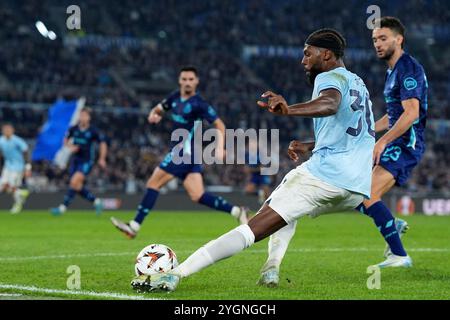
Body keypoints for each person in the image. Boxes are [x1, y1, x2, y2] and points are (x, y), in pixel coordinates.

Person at [130, 28, 376, 292]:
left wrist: (288, 110)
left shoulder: (328, 77)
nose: (303, 60)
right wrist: (308, 146)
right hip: (357, 187)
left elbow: (329, 104)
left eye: (307, 54)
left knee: (252, 229)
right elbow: (356, 133)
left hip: (326, 176)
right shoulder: (358, 83)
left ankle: (176, 274)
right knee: (285, 208)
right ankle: (270, 268)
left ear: (326, 54)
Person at [253, 17, 425, 288]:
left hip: (405, 143)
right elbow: (382, 120)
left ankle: (398, 253)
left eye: (383, 38)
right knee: (357, 190)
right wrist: (369, 136)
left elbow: (411, 114)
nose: (377, 44)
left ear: (398, 39)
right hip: (394, 140)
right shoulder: (393, 73)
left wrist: (381, 143)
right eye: (374, 40)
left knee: (367, 192)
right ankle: (390, 225)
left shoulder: (408, 69)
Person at [111, 66, 249, 239]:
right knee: (197, 195)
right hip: (189, 155)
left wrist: (220, 147)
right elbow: (160, 108)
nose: (187, 82)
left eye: (191, 79)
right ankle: (238, 211)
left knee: (153, 183)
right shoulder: (174, 97)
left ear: (197, 81)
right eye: (184, 79)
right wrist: (155, 114)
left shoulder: (199, 104)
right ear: (179, 80)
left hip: (184, 153)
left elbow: (220, 125)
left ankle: (135, 225)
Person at [51, 107, 107, 215]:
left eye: (85, 115)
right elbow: (65, 140)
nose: (82, 117)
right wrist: (70, 146)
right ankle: (97, 202)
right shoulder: (73, 129)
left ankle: (62, 208)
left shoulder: (93, 131)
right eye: (81, 115)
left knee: (74, 181)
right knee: (76, 186)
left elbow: (103, 144)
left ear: (89, 118)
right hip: (75, 160)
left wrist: (102, 158)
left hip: (87, 160)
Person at [0, 123, 31, 214]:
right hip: (7, 166)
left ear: (12, 131)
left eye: (9, 130)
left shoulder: (17, 140)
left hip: (18, 167)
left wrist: (28, 167)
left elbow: (26, 152)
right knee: (3, 187)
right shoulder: (1, 140)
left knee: (12, 186)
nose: (7, 132)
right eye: (5, 130)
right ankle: (21, 192)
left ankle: (17, 205)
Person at [244, 138, 271, 205]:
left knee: (267, 195)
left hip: (262, 175)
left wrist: (251, 170)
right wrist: (248, 172)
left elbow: (262, 168)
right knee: (247, 191)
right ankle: (259, 193)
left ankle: (270, 207)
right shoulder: (247, 155)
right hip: (254, 175)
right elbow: (246, 167)